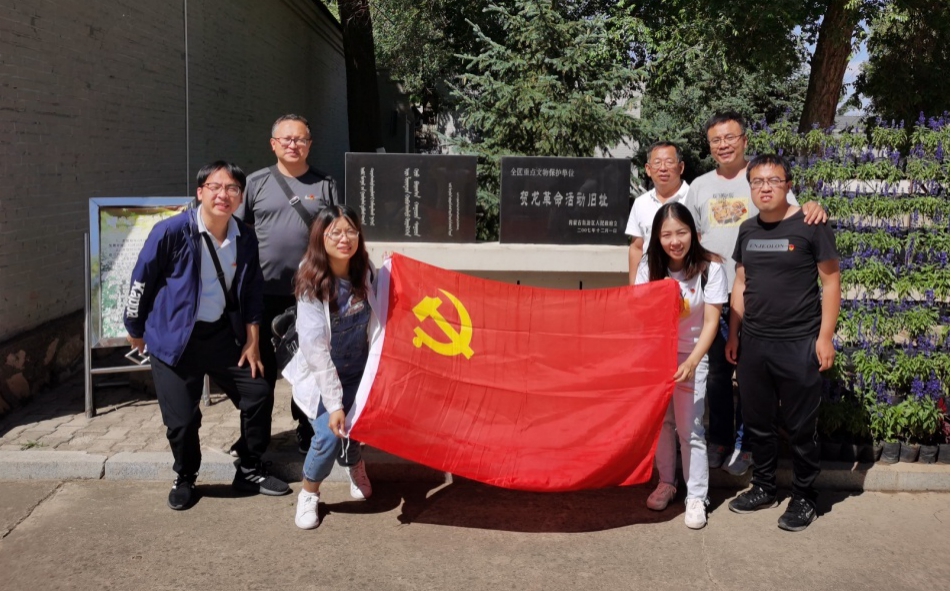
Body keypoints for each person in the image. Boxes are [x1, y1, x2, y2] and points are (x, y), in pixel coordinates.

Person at [124, 161, 290, 511]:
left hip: (221, 336)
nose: (223, 194)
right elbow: (141, 281)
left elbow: (252, 291)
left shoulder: (244, 237)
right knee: (182, 421)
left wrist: (252, 340)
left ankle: (249, 467)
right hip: (174, 339)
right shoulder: (170, 232)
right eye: (215, 186)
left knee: (258, 392)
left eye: (232, 189)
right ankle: (185, 476)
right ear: (200, 192)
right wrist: (134, 328)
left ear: (240, 197)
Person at [684, 111, 826, 476]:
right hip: (717, 297)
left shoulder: (762, 176)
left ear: (745, 140)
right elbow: (689, 237)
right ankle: (719, 439)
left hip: (759, 299)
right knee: (717, 374)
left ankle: (747, 445)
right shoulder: (698, 186)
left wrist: (814, 206)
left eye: (730, 137)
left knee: (752, 381)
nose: (723, 145)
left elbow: (797, 213)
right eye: (716, 140)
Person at [725, 154, 840, 532]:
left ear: (788, 185)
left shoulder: (811, 225)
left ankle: (805, 496)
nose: (765, 188)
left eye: (773, 180)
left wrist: (825, 337)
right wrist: (735, 333)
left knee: (801, 427)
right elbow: (741, 282)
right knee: (758, 422)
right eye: (757, 182)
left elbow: (831, 283)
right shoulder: (747, 230)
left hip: (799, 343)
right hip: (754, 345)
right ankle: (763, 486)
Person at [235, 114, 340, 457]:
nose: (293, 144)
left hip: (309, 294)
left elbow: (336, 233)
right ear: (273, 144)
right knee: (259, 368)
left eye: (300, 139)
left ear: (310, 144)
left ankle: (308, 431)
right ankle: (254, 438)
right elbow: (239, 232)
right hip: (262, 292)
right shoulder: (256, 182)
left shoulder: (325, 184)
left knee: (309, 366)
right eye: (287, 139)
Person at [283, 205, 378, 530]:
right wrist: (334, 403)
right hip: (324, 375)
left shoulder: (366, 271)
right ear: (320, 238)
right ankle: (309, 493)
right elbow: (315, 350)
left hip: (359, 371)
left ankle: (354, 464)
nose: (344, 238)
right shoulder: (311, 281)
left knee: (356, 429)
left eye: (350, 231)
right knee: (327, 435)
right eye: (335, 232)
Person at [635, 202, 727, 529]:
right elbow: (641, 316)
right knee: (662, 425)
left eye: (681, 233)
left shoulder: (710, 268)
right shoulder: (648, 266)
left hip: (692, 357)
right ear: (657, 238)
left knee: (691, 429)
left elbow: (711, 322)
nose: (675, 241)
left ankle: (697, 496)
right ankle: (666, 483)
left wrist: (692, 360)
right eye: (667, 235)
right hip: (658, 359)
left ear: (694, 233)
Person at [625, 141, 691, 284]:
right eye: (657, 163)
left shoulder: (694, 198)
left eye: (669, 162)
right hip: (649, 283)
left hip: (688, 282)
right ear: (648, 169)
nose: (663, 168)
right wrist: (633, 289)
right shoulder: (640, 203)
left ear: (681, 167)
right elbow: (637, 247)